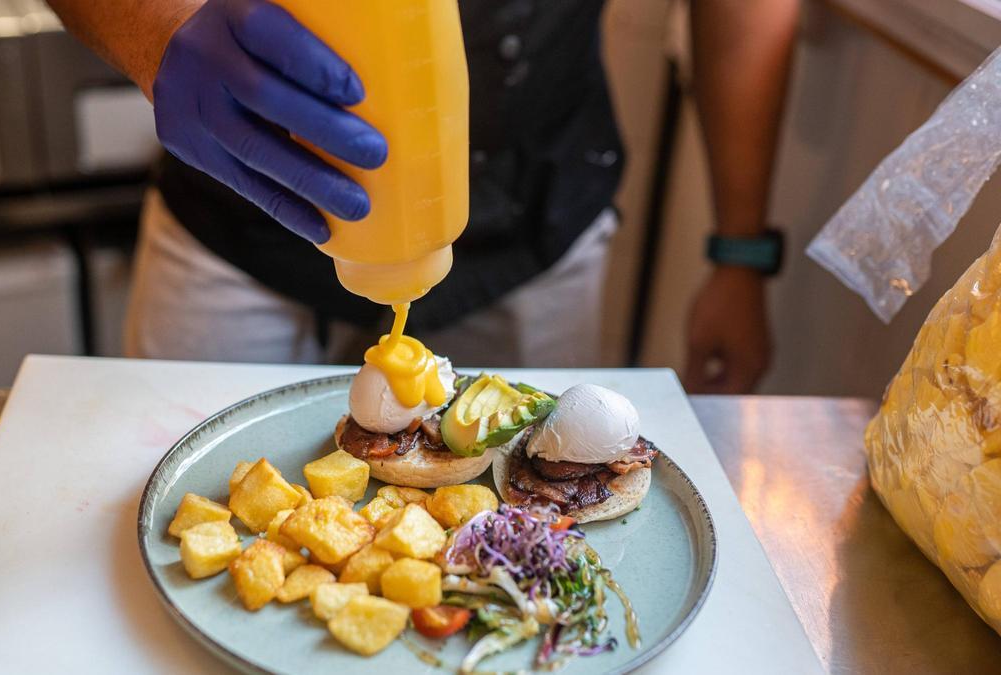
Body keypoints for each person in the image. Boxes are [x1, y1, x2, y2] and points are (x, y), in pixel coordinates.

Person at [47, 0, 798, 393]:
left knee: (524, 529)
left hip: (534, 214)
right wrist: (155, 29)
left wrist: (739, 252)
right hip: (237, 194)